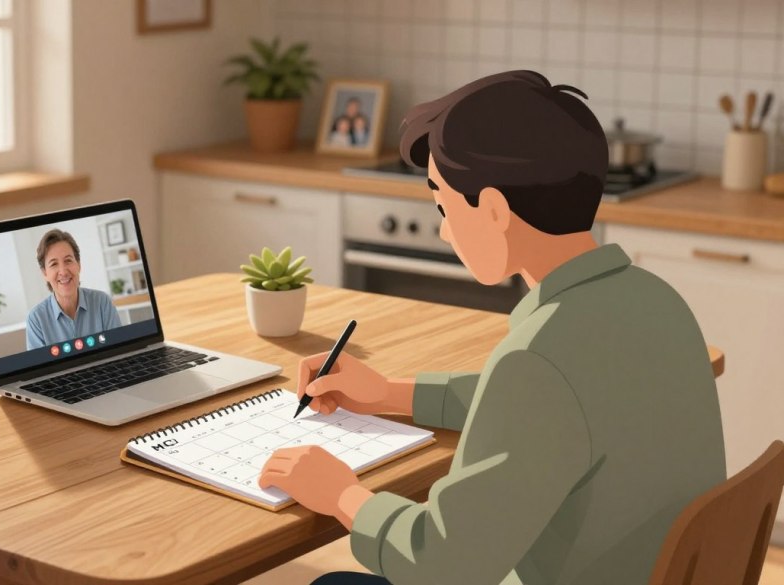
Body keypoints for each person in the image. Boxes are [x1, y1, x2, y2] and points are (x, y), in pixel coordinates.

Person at [259, 70, 726, 585]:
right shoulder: (655, 300)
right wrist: (389, 393)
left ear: (496, 209)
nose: (443, 228)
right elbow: (554, 409)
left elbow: (442, 564)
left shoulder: (537, 361)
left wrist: (340, 493)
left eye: (444, 204)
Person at [26, 228, 121, 350]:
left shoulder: (103, 302)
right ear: (45, 273)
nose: (63, 271)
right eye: (54, 264)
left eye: (68, 260)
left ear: (78, 265)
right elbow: (41, 368)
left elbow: (118, 352)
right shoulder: (36, 319)